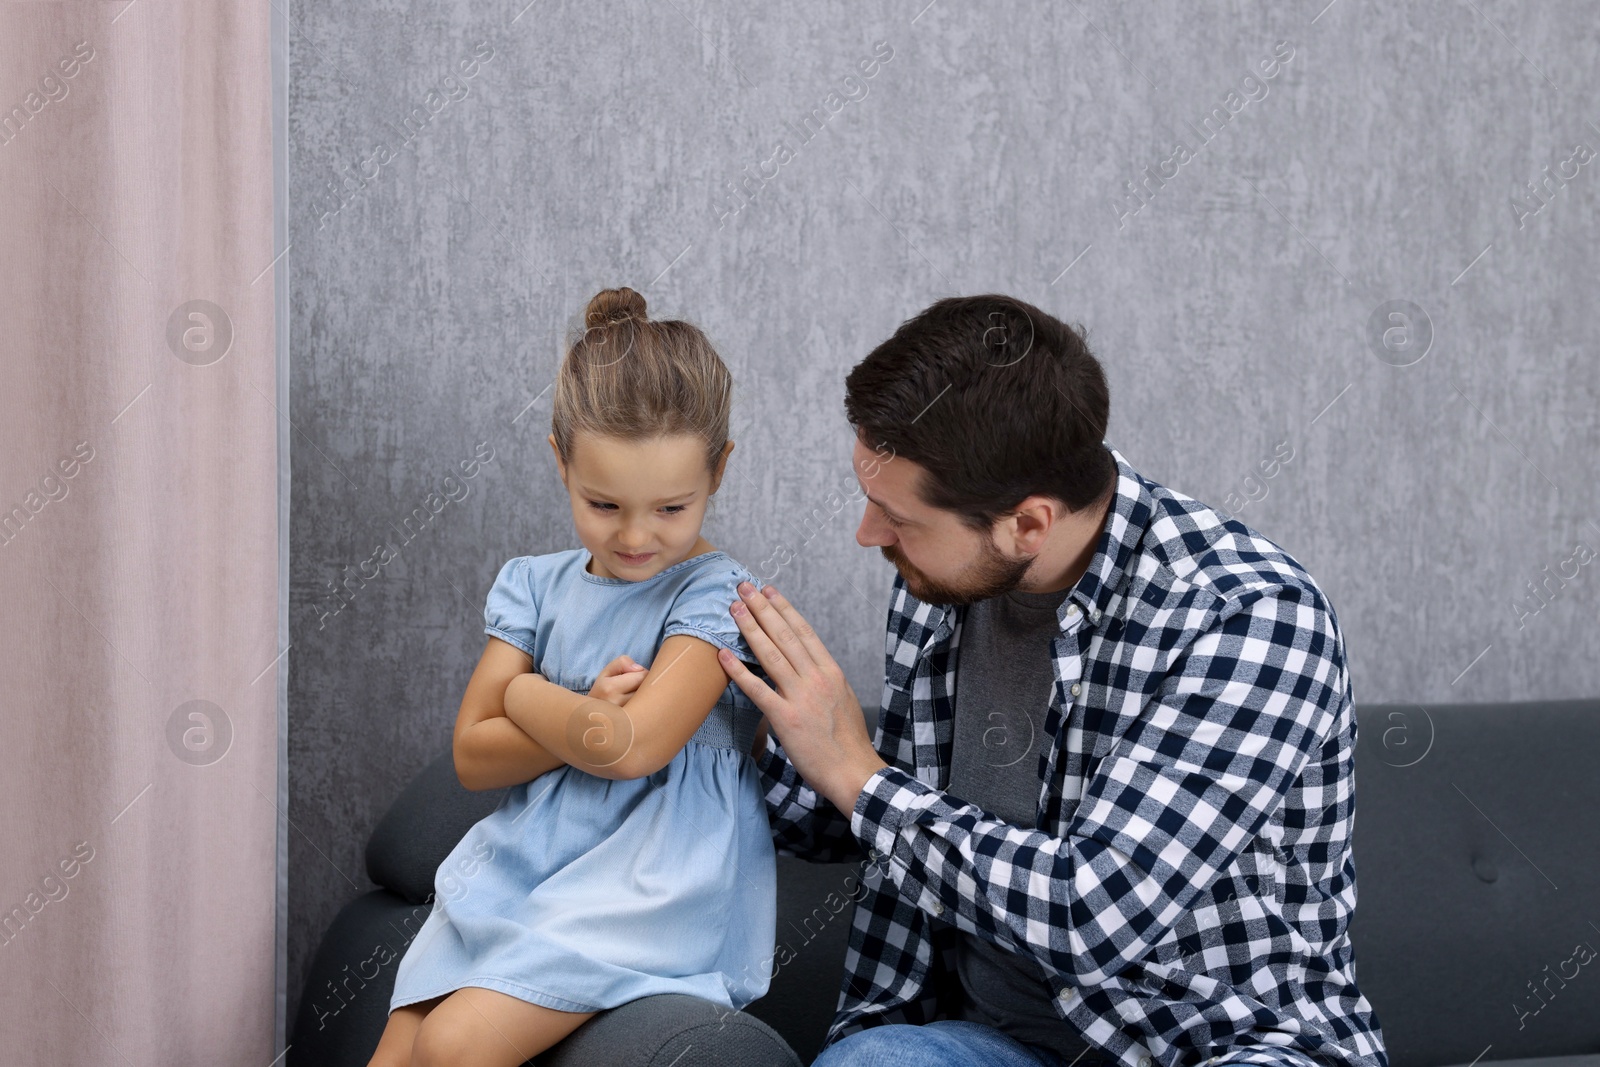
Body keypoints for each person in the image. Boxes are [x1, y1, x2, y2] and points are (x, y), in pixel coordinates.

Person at [716, 294, 1387, 1067]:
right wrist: (765, 722)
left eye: (895, 514)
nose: (869, 535)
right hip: (995, 1046)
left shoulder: (1248, 616)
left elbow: (1092, 913)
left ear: (1028, 524)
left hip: (1218, 1046)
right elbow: (879, 822)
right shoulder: (944, 582)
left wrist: (858, 775)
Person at [366, 286, 778, 1067]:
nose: (634, 535)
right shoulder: (534, 583)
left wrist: (524, 694)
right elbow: (473, 754)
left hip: (646, 886)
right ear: (559, 459)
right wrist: (573, 717)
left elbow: (629, 746)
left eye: (670, 507)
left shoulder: (714, 593)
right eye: (603, 502)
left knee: (454, 1043)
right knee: (398, 1048)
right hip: (526, 863)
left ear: (719, 471)